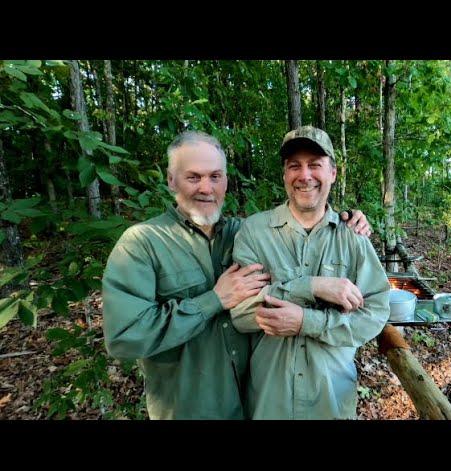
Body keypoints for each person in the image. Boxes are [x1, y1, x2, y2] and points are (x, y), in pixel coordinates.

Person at [101, 131, 371, 420]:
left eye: (215, 176)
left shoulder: (245, 233)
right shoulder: (143, 243)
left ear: (226, 182)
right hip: (190, 410)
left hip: (253, 403)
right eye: (193, 177)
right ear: (171, 180)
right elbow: (123, 338)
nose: (206, 188)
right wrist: (213, 300)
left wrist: (345, 219)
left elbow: (302, 227)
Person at [230, 126, 390, 420]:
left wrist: (308, 321)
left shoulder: (352, 237)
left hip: (330, 400)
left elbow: (376, 311)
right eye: (295, 166)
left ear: (333, 172)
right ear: (284, 175)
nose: (304, 175)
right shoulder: (254, 232)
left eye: (315, 164)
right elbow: (240, 314)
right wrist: (312, 286)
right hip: (269, 402)